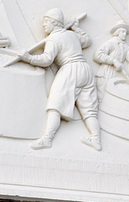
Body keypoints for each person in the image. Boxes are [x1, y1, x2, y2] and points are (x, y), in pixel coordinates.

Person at [18, 8, 101, 151]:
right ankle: (96, 139)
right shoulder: (71, 35)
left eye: (46, 22)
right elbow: (87, 41)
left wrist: (29, 58)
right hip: (85, 70)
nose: (43, 26)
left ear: (54, 23)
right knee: (89, 110)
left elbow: (46, 60)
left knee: (55, 105)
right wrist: (77, 29)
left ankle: (47, 139)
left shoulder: (53, 39)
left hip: (69, 70)